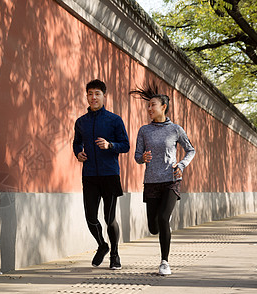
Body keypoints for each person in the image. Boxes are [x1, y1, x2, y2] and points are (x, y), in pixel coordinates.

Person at [130, 84, 195, 275]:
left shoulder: (175, 129)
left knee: (164, 218)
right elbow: (137, 156)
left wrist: (181, 165)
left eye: (153, 105)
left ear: (163, 107)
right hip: (151, 182)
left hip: (170, 180)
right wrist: (143, 158)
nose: (149, 109)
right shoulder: (144, 130)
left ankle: (164, 262)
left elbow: (191, 150)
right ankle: (161, 228)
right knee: (153, 226)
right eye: (148, 106)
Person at [73, 79, 130, 270]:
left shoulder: (114, 120)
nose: (93, 97)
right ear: (87, 96)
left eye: (97, 93)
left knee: (109, 218)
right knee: (90, 217)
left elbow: (126, 145)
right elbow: (76, 143)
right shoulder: (81, 122)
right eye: (90, 94)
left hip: (110, 175)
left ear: (104, 96)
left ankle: (115, 254)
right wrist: (78, 153)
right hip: (89, 175)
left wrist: (110, 145)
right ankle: (102, 245)